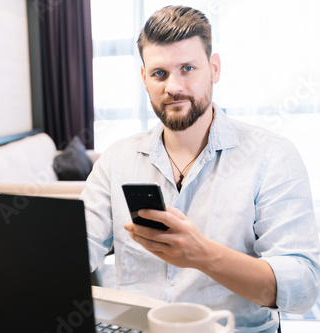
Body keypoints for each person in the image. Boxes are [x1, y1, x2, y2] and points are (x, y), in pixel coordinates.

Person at [80, 5, 320, 332]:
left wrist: (202, 255)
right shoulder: (116, 160)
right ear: (144, 78)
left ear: (214, 68)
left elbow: (303, 289)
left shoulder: (272, 156)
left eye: (188, 68)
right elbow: (73, 255)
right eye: (159, 73)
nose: (173, 87)